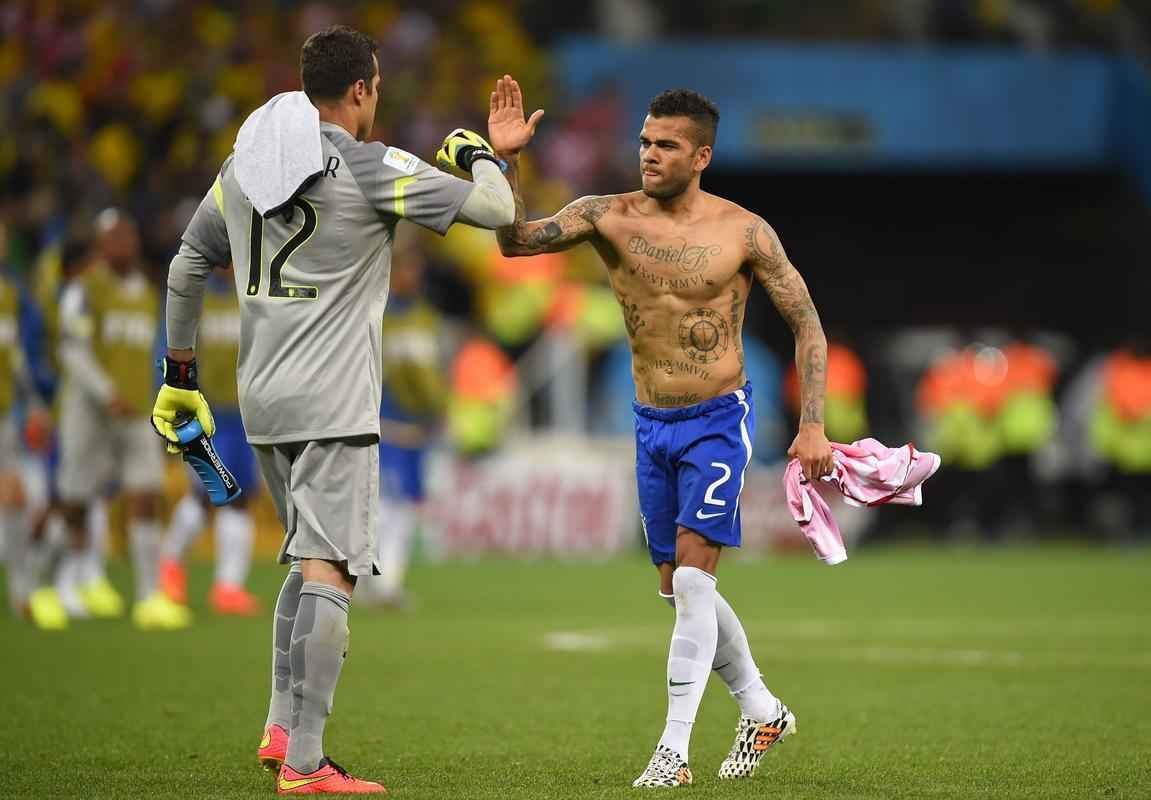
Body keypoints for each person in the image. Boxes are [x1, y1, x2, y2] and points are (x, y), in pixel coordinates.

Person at [151, 25, 514, 795]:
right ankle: (307, 764)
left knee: (303, 558)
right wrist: (479, 150)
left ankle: (281, 723)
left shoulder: (243, 168)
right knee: (334, 569)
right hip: (337, 400)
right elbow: (497, 210)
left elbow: (186, 265)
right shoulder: (373, 164)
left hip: (262, 396)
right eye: (375, 88)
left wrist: (179, 374)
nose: (376, 99)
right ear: (359, 90)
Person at [493, 77, 833, 787]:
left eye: (666, 145)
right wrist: (508, 162)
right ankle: (761, 708)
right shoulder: (606, 216)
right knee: (674, 588)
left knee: (690, 579)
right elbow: (515, 243)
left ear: (701, 155)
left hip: (718, 420)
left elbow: (805, 321)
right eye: (645, 141)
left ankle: (671, 751)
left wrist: (812, 426)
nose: (649, 154)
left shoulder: (743, 229)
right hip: (650, 424)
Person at [56, 211, 189, 630]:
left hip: (135, 411)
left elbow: (154, 353)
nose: (123, 244)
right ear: (100, 245)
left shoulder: (149, 292)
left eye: (127, 235)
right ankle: (62, 583)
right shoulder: (84, 290)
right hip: (89, 411)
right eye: (113, 237)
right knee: (76, 500)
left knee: (145, 493)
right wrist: (105, 393)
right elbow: (71, 350)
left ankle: (149, 597)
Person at [159, 268, 263, 616]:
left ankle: (227, 588)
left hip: (245, 415)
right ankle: (171, 566)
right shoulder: (196, 298)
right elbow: (170, 352)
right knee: (205, 496)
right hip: (205, 412)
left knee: (240, 497)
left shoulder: (254, 295)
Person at [358, 231, 448, 609]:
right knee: (383, 503)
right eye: (403, 269)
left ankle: (388, 582)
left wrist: (438, 408)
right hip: (384, 423)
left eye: (414, 269)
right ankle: (373, 580)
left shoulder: (426, 318)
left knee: (407, 504)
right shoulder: (374, 316)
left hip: (417, 428)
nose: (410, 276)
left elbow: (433, 372)